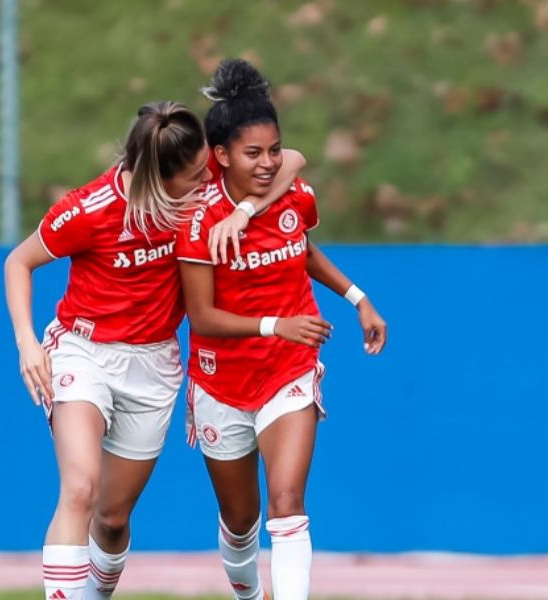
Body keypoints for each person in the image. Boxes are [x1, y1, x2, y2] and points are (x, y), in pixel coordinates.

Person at [4, 100, 306, 600]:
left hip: (152, 366)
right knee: (79, 488)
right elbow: (19, 261)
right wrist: (27, 343)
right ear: (157, 178)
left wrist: (246, 209)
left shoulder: (203, 176)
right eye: (192, 178)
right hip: (84, 351)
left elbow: (291, 159)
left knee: (113, 517)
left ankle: (95, 592)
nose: (205, 184)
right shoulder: (91, 208)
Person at [177, 59, 388, 600]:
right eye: (253, 153)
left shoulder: (293, 196)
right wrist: (276, 325)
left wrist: (357, 298)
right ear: (220, 156)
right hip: (221, 382)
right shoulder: (199, 218)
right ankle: (248, 592)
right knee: (240, 523)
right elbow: (201, 318)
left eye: (274, 150)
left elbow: (303, 251)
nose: (270, 163)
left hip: (287, 372)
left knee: (288, 502)